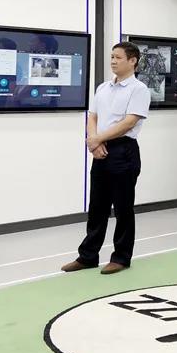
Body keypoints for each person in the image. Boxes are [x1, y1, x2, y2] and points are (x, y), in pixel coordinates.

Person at [61, 42, 150, 274]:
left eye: (118, 57)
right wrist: (95, 141)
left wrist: (97, 139)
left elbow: (129, 123)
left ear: (133, 61)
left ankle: (121, 257)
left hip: (123, 150)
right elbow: (93, 116)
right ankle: (88, 256)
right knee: (97, 207)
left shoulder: (139, 89)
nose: (113, 61)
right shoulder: (103, 88)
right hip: (100, 149)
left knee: (123, 207)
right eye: (112, 56)